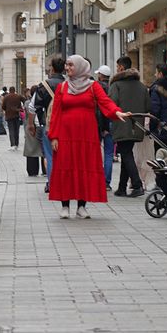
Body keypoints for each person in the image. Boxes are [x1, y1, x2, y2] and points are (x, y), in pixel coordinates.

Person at [47, 55, 130, 219]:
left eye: (71, 65)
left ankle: (81, 206)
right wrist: (54, 136)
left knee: (85, 166)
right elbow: (55, 114)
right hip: (66, 135)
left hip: (87, 135)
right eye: (67, 65)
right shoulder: (62, 87)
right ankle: (65, 206)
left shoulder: (93, 86)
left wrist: (116, 111)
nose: (68, 68)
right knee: (65, 167)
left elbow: (105, 102)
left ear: (79, 67)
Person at [108, 56, 150, 197]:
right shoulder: (142, 86)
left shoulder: (116, 85)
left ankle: (137, 185)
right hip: (137, 124)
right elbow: (148, 106)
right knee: (127, 153)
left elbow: (111, 104)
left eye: (117, 66)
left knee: (125, 153)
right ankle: (121, 187)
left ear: (121, 67)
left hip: (122, 123)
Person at [28, 56, 66, 192]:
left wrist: (31, 124)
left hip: (48, 125)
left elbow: (32, 107)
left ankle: (52, 184)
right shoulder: (68, 84)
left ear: (52, 68)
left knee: (50, 156)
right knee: (65, 156)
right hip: (66, 126)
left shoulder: (43, 85)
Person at [95, 65, 115, 190]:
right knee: (109, 154)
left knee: (97, 152)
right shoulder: (113, 88)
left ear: (101, 75)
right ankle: (107, 182)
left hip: (99, 124)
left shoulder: (96, 88)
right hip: (111, 123)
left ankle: (97, 179)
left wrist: (103, 127)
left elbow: (100, 110)